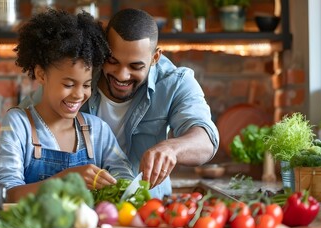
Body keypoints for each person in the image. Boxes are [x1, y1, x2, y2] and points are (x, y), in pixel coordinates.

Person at [22, 8, 219, 198]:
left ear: (155, 57)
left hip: (146, 208)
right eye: (113, 61)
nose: (121, 75)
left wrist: (172, 149)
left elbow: (206, 139)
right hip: (79, 208)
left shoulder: (175, 83)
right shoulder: (80, 72)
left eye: (135, 66)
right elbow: (24, 120)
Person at [0, 9, 134, 202]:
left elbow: (125, 179)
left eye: (86, 85)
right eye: (68, 84)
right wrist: (66, 180)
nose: (79, 94)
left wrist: (120, 188)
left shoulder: (97, 130)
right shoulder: (20, 124)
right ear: (41, 75)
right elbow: (6, 194)